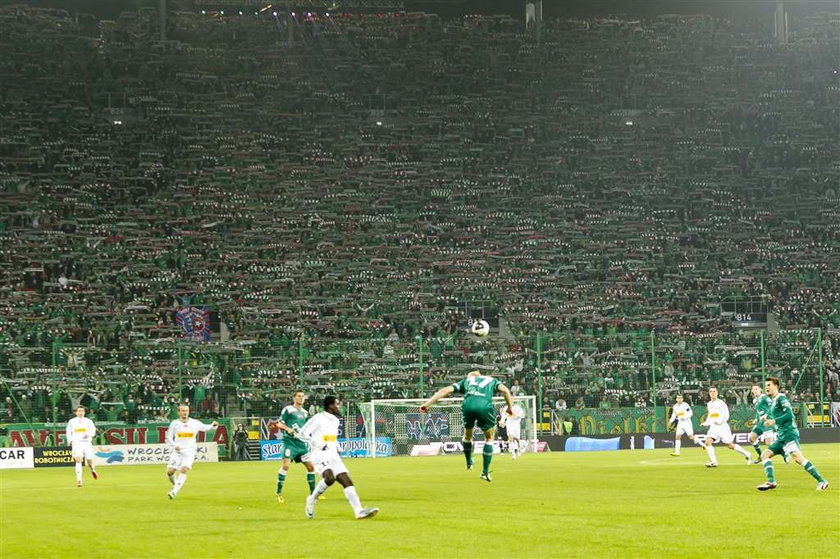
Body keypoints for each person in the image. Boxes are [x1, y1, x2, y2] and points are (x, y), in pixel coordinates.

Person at [419, 370, 514, 482]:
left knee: (467, 434)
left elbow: (445, 390)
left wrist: (427, 404)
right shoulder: (492, 380)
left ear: (471, 376)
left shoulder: (467, 381)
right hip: (484, 406)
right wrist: (510, 407)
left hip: (468, 405)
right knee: (489, 438)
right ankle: (485, 472)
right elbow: (505, 390)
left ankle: (469, 461)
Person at [298, 396, 379, 520]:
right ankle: (312, 499)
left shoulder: (335, 420)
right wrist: (317, 444)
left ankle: (359, 511)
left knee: (346, 480)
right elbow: (302, 433)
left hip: (333, 454)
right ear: (330, 405)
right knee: (329, 478)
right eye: (337, 404)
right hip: (320, 454)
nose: (339, 406)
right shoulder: (318, 418)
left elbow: (332, 437)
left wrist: (338, 447)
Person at [756, 377, 829, 491]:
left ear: (776, 386)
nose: (767, 388)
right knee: (765, 455)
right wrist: (765, 417)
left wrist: (774, 421)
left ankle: (822, 480)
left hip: (789, 433)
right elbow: (771, 414)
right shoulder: (773, 401)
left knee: (798, 458)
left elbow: (790, 415)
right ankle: (771, 482)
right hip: (781, 436)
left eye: (769, 385)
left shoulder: (781, 398)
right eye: (766, 386)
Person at [165, 404, 218, 499]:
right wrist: (174, 445)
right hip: (178, 451)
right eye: (183, 411)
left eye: (186, 411)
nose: (185, 412)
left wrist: (212, 425)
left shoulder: (194, 423)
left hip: (189, 450)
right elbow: (169, 437)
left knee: (183, 469)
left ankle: (174, 492)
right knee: (169, 472)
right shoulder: (174, 423)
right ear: (178, 412)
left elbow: (205, 427)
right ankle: (176, 485)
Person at [274, 390, 318, 504]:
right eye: (299, 396)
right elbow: (279, 423)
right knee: (286, 466)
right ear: (294, 398)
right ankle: (278, 493)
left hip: (301, 444)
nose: (301, 398)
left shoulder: (304, 412)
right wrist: (287, 429)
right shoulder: (288, 409)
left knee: (311, 467)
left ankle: (313, 494)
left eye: (303, 396)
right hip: (289, 442)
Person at [699, 387, 752, 467]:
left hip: (722, 427)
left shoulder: (721, 403)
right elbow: (710, 415)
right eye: (711, 391)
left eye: (714, 391)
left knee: (730, 445)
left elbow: (726, 415)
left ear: (717, 393)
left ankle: (747, 454)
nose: (712, 393)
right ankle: (714, 462)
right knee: (707, 442)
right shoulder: (709, 404)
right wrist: (706, 423)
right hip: (714, 427)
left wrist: (720, 421)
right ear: (709, 393)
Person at [65, 405, 99, 487]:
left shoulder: (88, 421)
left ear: (84, 412)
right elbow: (68, 431)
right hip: (77, 443)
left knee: (89, 462)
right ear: (76, 412)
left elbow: (93, 431)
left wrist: (88, 434)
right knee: (78, 460)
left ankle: (92, 469)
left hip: (87, 443)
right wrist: (69, 440)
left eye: (82, 411)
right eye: (79, 411)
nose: (81, 412)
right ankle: (79, 480)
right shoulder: (72, 421)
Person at [747, 384, 777, 463]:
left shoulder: (764, 397)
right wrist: (756, 419)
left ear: (760, 389)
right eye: (753, 389)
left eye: (756, 389)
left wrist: (766, 414)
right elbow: (758, 411)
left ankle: (783, 451)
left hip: (767, 422)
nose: (755, 391)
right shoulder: (755, 400)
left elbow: (772, 406)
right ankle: (760, 456)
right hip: (760, 423)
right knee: (751, 438)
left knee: (769, 444)